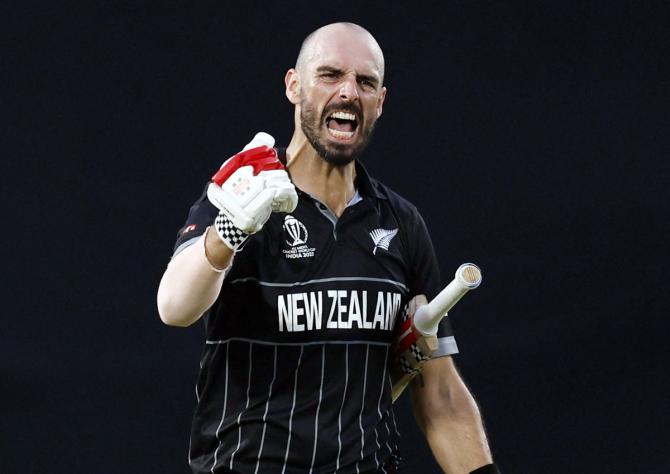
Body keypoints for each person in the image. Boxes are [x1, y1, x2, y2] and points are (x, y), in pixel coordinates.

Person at [157, 22, 498, 474]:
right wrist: (230, 230)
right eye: (330, 75)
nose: (348, 92)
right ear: (294, 86)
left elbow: (439, 394)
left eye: (365, 82)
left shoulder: (400, 223)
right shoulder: (243, 193)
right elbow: (174, 307)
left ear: (380, 102)